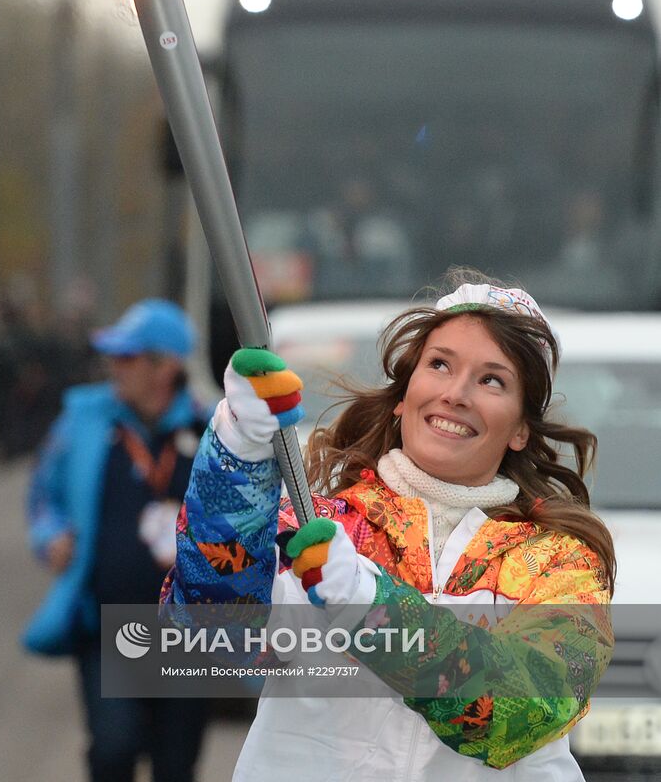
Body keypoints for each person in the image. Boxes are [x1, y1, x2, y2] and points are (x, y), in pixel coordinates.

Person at [164, 275, 615, 780]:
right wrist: (238, 455)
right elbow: (210, 630)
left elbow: (523, 710)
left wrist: (368, 604)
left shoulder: (557, 563)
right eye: (439, 365)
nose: (456, 394)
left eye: (492, 380)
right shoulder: (317, 528)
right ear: (403, 397)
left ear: (520, 429)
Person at [23, 298, 212, 782]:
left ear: (165, 366)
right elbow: (45, 495)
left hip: (188, 634)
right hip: (107, 628)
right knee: (113, 750)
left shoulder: (213, 430)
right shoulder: (84, 422)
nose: (115, 366)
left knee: (176, 765)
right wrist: (50, 537)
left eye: (127, 356)